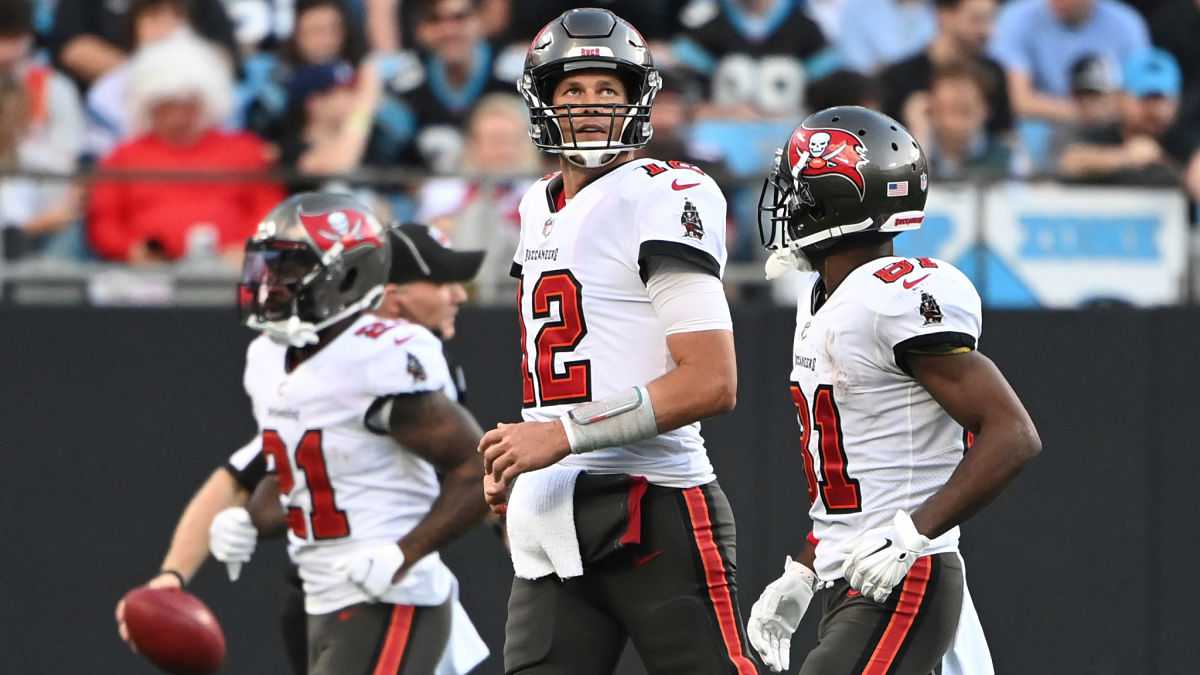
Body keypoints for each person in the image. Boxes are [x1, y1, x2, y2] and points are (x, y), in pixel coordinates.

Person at [479, 8, 755, 674]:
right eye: (572, 90)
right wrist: (533, 444)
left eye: (610, 90)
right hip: (553, 507)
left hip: (655, 505)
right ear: (542, 102)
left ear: (640, 101)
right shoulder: (536, 204)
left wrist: (560, 432)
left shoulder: (667, 193)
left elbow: (712, 380)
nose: (591, 106)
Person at [114, 204, 490, 675]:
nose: (271, 283)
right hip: (323, 595)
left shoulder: (381, 356)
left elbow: (477, 470)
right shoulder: (270, 360)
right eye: (269, 268)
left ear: (348, 279)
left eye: (290, 270)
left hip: (391, 596)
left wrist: (403, 552)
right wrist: (249, 521)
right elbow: (298, 474)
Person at [747, 105, 1041, 674]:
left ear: (834, 199)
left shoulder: (891, 298)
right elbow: (866, 472)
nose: (788, 203)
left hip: (903, 576)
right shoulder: (822, 301)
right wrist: (805, 572)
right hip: (853, 577)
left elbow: (1013, 434)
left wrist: (913, 535)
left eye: (798, 188)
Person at [85, 31, 283, 264]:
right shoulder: (123, 156)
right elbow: (104, 221)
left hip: (232, 276)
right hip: (148, 279)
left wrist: (249, 248)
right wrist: (129, 249)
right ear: (149, 107)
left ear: (205, 103)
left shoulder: (246, 150)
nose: (177, 119)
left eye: (187, 107)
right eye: (167, 108)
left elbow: (270, 212)